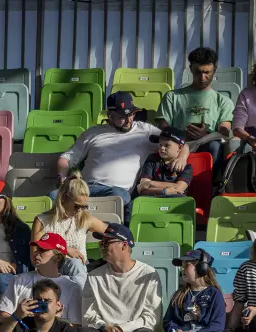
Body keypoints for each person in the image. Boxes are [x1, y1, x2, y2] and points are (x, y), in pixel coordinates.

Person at [55, 91, 187, 220]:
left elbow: (180, 143)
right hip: (85, 187)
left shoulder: (145, 130)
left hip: (117, 191)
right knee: (53, 196)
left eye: (132, 114)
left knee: (119, 196)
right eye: (122, 117)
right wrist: (61, 176)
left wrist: (182, 157)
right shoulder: (93, 133)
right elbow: (66, 158)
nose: (129, 120)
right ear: (109, 115)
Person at [82, 224, 162, 332]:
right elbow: (88, 316)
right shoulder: (94, 276)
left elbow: (151, 317)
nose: (101, 245)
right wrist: (105, 327)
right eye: (101, 242)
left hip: (133, 331)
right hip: (104, 331)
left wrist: (121, 329)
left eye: (107, 241)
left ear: (124, 245)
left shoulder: (148, 274)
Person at [158, 46, 234, 171]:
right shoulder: (172, 97)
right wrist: (181, 135)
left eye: (207, 72)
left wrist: (205, 135)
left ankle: (210, 185)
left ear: (214, 71)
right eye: (198, 72)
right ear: (191, 69)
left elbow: (224, 129)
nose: (203, 77)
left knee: (215, 146)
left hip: (207, 144)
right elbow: (163, 127)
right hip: (177, 143)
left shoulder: (224, 102)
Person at [32, 173, 108, 282]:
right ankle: (82, 296)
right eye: (77, 206)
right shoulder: (42, 221)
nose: (80, 210)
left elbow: (112, 232)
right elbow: (34, 258)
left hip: (80, 268)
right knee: (74, 263)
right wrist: (64, 249)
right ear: (64, 198)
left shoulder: (85, 218)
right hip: (51, 266)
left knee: (77, 264)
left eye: (84, 206)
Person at [0, 231, 83, 325]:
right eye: (37, 249)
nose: (36, 252)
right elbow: (3, 316)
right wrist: (18, 315)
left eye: (43, 249)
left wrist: (54, 320)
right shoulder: (19, 280)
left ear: (58, 258)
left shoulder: (72, 287)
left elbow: (75, 325)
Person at [162, 248, 225, 332]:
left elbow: (218, 325)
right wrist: (175, 330)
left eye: (186, 265)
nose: (182, 269)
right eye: (182, 266)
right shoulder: (179, 294)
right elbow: (168, 320)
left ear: (201, 268)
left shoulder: (214, 294)